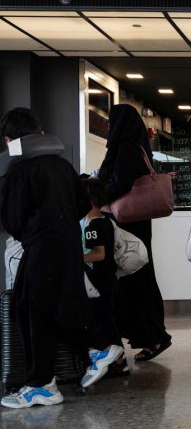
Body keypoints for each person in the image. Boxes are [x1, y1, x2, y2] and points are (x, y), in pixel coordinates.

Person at [0, 108, 118, 408]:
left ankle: (42, 383)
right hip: (66, 244)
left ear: (9, 139)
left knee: (31, 311)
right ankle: (95, 349)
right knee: (58, 306)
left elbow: (12, 218)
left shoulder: (19, 170)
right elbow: (82, 203)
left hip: (41, 247)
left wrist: (33, 231)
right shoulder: (62, 165)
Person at [98, 104, 171, 362]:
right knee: (136, 279)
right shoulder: (135, 146)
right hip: (134, 222)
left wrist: (97, 197)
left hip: (127, 224)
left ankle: (154, 336)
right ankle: (149, 336)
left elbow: (120, 182)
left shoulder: (126, 148)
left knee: (135, 280)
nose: (108, 127)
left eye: (111, 122)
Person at [80, 177, 127, 385]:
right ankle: (118, 360)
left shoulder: (92, 225)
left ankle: (118, 361)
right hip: (109, 280)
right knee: (108, 320)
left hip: (98, 283)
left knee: (104, 322)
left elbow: (99, 254)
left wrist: (76, 258)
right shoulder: (107, 220)